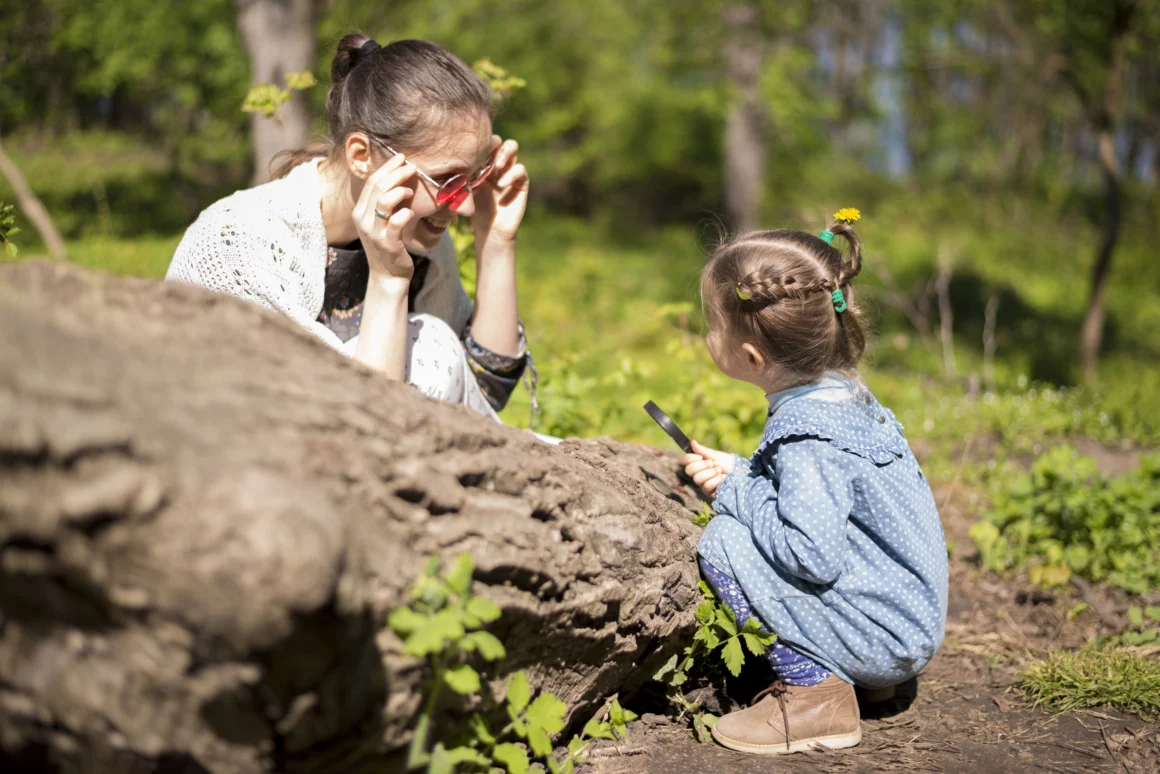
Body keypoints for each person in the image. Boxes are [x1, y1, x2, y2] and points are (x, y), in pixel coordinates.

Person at [681, 210, 948, 755]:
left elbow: (810, 557)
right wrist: (743, 469)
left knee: (725, 542)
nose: (708, 335)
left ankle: (814, 693)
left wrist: (735, 491)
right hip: (902, 618)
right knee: (745, 519)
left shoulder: (807, 438)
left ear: (752, 357)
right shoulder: (845, 400)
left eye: (712, 325)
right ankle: (867, 676)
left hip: (887, 635)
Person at [166, 35, 532, 419]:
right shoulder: (237, 249)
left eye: (475, 177)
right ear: (361, 156)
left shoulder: (415, 238)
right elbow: (349, 432)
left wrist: (495, 239)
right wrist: (388, 282)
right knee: (432, 346)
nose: (467, 204)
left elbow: (483, 394)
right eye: (449, 180)